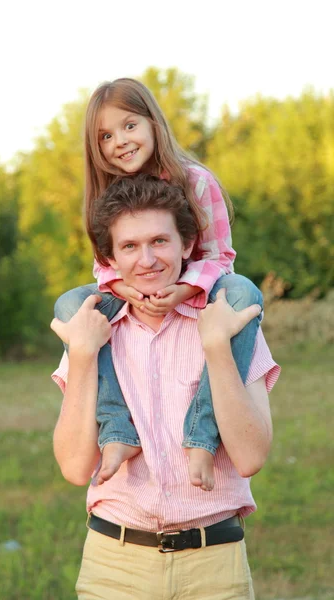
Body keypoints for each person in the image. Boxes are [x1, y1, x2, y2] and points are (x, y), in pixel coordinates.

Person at [51, 174, 280, 600]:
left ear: (187, 245)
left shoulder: (229, 322)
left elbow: (250, 457)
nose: (147, 260)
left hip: (214, 564)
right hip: (114, 566)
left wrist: (215, 346)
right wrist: (82, 355)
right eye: (129, 247)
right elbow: (74, 467)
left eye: (160, 241)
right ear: (110, 257)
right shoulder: (93, 330)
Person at [54, 77, 263, 491]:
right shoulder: (107, 194)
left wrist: (184, 291)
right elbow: (105, 266)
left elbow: (220, 257)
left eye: (129, 126)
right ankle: (117, 428)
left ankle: (202, 434)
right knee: (70, 304)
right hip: (130, 290)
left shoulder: (196, 181)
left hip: (195, 289)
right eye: (106, 136)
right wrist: (124, 289)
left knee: (245, 293)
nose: (120, 141)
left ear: (153, 123)